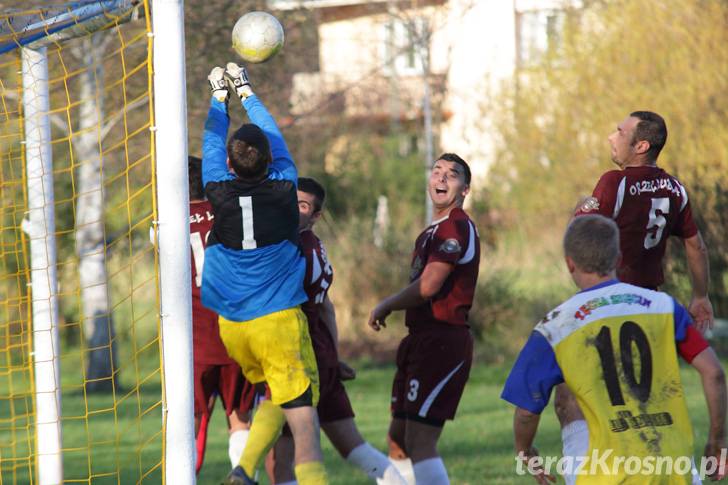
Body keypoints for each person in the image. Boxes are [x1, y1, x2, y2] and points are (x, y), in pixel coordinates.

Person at [501, 214, 727, 484]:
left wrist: (525, 451)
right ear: (618, 258)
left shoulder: (555, 326)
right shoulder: (663, 306)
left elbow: (527, 411)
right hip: (672, 467)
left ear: (569, 263)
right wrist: (717, 440)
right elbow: (713, 373)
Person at [559, 111, 715, 479]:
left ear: (640, 145)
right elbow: (696, 245)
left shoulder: (615, 183)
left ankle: (580, 475)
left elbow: (579, 236)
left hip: (608, 306)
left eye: (620, 131)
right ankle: (684, 475)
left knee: (570, 397)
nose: (612, 137)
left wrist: (580, 208)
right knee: (652, 402)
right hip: (654, 307)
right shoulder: (675, 189)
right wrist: (700, 296)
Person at [201, 63, 327, 485]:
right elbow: (272, 132)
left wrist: (220, 97)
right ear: (271, 161)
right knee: (306, 425)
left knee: (277, 394)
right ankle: (253, 468)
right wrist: (245, 90)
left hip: (232, 327)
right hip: (277, 322)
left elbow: (212, 140)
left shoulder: (215, 187)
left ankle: (244, 470)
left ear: (230, 166)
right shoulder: (286, 185)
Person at [269, 177, 407, 485]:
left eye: (302, 206)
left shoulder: (292, 249)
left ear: (316, 216)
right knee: (353, 447)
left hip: (298, 357)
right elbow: (327, 306)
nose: (293, 210)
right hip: (321, 354)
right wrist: (334, 355)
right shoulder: (314, 244)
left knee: (284, 456)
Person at [368, 153, 480, 485]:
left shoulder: (455, 226)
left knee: (420, 442)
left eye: (453, 174)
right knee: (398, 441)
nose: (442, 178)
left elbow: (430, 285)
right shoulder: (431, 230)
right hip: (420, 339)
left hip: (442, 341)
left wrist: (387, 303)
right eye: (437, 171)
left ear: (465, 189)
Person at [187, 155, 253, 475]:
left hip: (195, 339)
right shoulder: (232, 214)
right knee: (239, 419)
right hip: (235, 332)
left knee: (194, 419)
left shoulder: (168, 223)